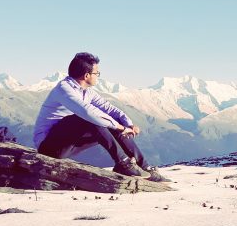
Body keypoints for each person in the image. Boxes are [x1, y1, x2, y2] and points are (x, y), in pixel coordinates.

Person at [33, 52, 169, 181]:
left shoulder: (87, 92)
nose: (98, 75)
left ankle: (144, 167)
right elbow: (87, 112)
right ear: (87, 75)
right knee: (91, 118)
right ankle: (124, 163)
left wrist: (128, 125)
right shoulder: (64, 89)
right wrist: (120, 127)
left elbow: (109, 109)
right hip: (49, 147)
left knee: (107, 120)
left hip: (70, 144)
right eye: (96, 73)